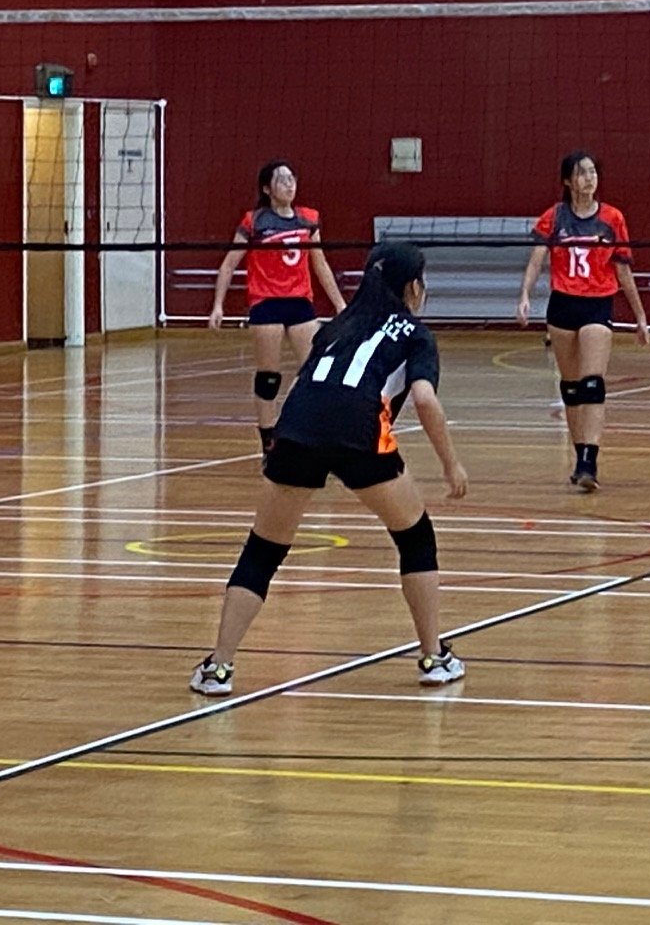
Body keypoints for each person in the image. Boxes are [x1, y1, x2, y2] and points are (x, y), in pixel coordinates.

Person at [191, 242, 470, 696]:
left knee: (263, 550)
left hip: (298, 424)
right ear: (413, 286)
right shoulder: (416, 334)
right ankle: (433, 657)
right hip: (358, 426)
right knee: (415, 537)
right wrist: (451, 464)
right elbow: (424, 399)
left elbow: (311, 383)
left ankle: (218, 668)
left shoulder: (335, 326)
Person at [516, 150, 650, 493]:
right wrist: (525, 296)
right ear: (567, 180)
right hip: (562, 307)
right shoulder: (554, 217)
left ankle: (590, 461)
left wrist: (640, 316)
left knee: (593, 384)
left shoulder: (612, 218)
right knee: (572, 387)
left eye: (593, 172)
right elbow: (535, 262)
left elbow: (622, 269)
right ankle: (579, 458)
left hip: (597, 306)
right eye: (582, 173)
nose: (589, 179)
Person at [208, 160, 347, 452]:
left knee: (314, 371)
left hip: (300, 302)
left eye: (292, 178)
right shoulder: (254, 222)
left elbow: (320, 264)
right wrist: (218, 306)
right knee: (269, 378)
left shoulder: (308, 219)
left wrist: (340, 305)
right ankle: (268, 440)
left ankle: (305, 430)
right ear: (267, 188)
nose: (289, 184)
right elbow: (229, 264)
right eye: (282, 180)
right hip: (266, 303)